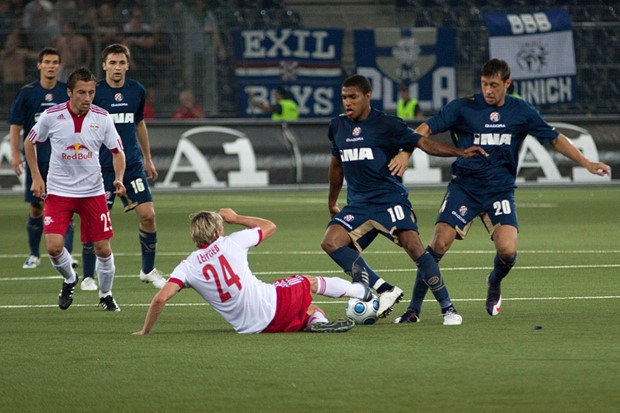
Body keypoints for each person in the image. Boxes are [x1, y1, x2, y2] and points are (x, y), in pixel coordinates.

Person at [395, 59, 611, 323]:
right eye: (485, 84)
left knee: (507, 251)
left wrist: (586, 163)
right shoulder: (462, 107)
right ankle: (414, 309)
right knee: (438, 243)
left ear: (507, 83)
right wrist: (406, 152)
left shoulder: (521, 111)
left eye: (494, 85)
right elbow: (425, 128)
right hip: (465, 187)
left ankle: (494, 280)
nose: (488, 90)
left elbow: (554, 138)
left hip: (500, 191)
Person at [320, 74, 488, 325]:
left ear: (368, 96)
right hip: (358, 204)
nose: (347, 102)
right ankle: (384, 288)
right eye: (344, 97)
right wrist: (332, 201)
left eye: (353, 97)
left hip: (390, 200)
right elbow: (336, 165)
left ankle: (448, 308)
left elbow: (424, 143)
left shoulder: (387, 124)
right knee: (331, 242)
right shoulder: (338, 126)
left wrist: (459, 152)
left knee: (414, 246)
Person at [132, 209, 370, 335]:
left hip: (250, 327)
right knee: (306, 282)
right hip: (270, 304)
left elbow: (161, 298)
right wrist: (235, 218)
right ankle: (360, 289)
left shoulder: (188, 266)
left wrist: (146, 330)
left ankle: (315, 323)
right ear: (217, 232)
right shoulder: (231, 242)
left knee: (311, 310)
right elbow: (269, 226)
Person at [23, 67, 126, 311]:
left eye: (91, 92)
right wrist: (37, 177)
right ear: (69, 92)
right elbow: (29, 142)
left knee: (102, 248)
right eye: (81, 92)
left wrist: (119, 178)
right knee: (54, 247)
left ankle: (106, 295)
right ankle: (70, 279)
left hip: (93, 193)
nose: (87, 97)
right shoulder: (51, 116)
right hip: (59, 193)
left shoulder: (102, 118)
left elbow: (117, 152)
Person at [79, 43, 165, 292]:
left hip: (132, 166)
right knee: (96, 222)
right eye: (112, 63)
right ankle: (87, 276)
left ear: (128, 65)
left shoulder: (136, 90)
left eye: (121, 63)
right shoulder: (93, 92)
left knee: (148, 216)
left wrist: (147, 159)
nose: (117, 67)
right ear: (104, 65)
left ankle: (148, 270)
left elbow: (139, 124)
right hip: (100, 168)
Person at [8, 47, 77, 269]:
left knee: (67, 206)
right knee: (36, 207)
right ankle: (34, 253)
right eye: (47, 61)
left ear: (59, 66)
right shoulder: (27, 93)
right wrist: (15, 153)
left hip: (64, 160)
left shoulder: (66, 92)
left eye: (55, 62)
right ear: (39, 65)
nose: (51, 65)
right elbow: (16, 125)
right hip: (36, 160)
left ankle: (67, 255)